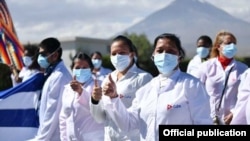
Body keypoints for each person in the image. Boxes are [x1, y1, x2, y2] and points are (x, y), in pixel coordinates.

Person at [91, 33, 212, 141]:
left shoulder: (191, 85)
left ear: (179, 56)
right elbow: (127, 124)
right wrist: (114, 98)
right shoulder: (146, 89)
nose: (164, 55)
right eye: (160, 51)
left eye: (170, 51)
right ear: (153, 56)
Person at [90, 35, 153, 141]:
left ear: (131, 54)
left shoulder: (144, 79)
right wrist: (94, 100)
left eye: (122, 52)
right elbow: (100, 119)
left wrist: (115, 97)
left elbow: (145, 118)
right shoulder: (108, 79)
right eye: (113, 53)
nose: (117, 56)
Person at [194, 30, 248, 125]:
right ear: (218, 47)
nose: (232, 46)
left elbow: (246, 97)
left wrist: (234, 113)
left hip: (233, 120)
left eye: (234, 43)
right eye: (228, 43)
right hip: (209, 119)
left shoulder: (243, 69)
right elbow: (195, 93)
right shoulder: (206, 67)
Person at [29, 37, 72, 141]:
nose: (40, 57)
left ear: (55, 55)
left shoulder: (60, 76)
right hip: (48, 136)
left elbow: (52, 113)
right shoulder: (52, 74)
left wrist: (41, 139)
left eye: (43, 54)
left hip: (54, 136)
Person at [59, 52, 104, 141]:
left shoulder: (98, 86)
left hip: (93, 137)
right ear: (72, 69)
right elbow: (63, 117)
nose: (81, 70)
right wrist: (64, 138)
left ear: (91, 69)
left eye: (84, 68)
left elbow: (99, 112)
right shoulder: (68, 89)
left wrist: (81, 92)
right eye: (77, 68)